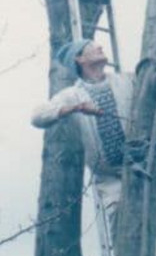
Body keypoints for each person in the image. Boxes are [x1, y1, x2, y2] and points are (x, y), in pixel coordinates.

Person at [31, 39, 134, 227]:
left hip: (139, 166)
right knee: (121, 230)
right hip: (110, 180)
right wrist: (76, 108)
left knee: (145, 225)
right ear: (79, 58)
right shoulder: (72, 95)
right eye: (93, 47)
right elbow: (37, 116)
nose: (101, 47)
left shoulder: (125, 81)